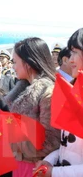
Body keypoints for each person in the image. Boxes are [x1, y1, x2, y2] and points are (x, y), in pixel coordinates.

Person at [4, 37, 61, 177]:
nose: (13, 66)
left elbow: (51, 141)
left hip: (38, 167)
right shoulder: (23, 90)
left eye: (15, 62)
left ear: (28, 63)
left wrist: (13, 144)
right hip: (21, 163)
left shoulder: (48, 92)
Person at [33, 28, 83, 177]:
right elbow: (68, 146)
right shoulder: (77, 91)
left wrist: (54, 172)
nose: (70, 59)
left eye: (75, 52)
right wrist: (50, 160)